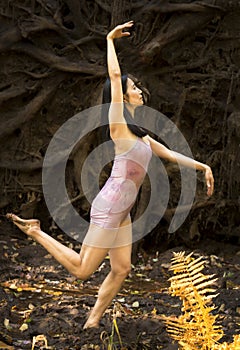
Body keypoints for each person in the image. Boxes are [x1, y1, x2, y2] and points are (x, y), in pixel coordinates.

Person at [6, 21, 214, 329]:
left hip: (124, 212)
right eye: (134, 88)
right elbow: (115, 76)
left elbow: (170, 154)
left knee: (122, 269)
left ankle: (92, 322)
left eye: (136, 87)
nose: (139, 90)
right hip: (109, 206)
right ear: (124, 97)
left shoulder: (141, 137)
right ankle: (35, 231)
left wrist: (204, 167)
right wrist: (109, 41)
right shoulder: (118, 125)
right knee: (81, 270)